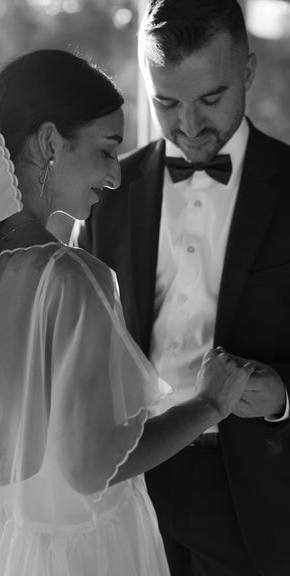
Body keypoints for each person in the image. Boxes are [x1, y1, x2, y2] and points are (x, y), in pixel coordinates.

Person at [0, 49, 253, 576]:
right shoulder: (72, 278)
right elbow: (92, 468)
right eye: (107, 149)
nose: (115, 176)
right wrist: (209, 404)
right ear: (50, 142)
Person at [74, 1, 290, 575]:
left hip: (257, 495)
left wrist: (283, 396)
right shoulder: (104, 197)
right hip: (130, 485)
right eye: (165, 102)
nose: (189, 126)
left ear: (246, 72)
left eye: (210, 99)